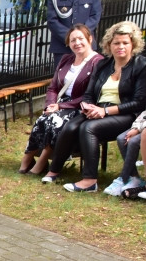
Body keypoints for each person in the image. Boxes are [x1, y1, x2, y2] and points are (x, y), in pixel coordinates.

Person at [42, 21, 146, 192]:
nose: (120, 46)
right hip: (98, 109)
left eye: (125, 42)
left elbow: (139, 101)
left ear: (133, 44)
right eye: (116, 43)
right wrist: (88, 107)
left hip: (126, 113)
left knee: (88, 128)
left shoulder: (142, 65)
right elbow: (88, 93)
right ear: (109, 45)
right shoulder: (103, 64)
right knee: (71, 126)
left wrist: (105, 111)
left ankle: (89, 180)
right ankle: (54, 170)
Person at [19, 25, 102, 175]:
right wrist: (51, 104)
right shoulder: (66, 59)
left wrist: (61, 106)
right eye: (73, 40)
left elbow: (91, 94)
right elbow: (53, 88)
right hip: (59, 104)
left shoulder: (98, 62)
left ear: (90, 39)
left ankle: (43, 161)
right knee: (42, 120)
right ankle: (27, 159)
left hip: (80, 106)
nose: (77, 43)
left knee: (55, 121)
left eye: (80, 38)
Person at [106, 51, 146, 196]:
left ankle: (124, 177)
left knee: (138, 139)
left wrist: (139, 127)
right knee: (124, 138)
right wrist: (136, 127)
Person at [46, 0, 102, 70]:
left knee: (87, 79)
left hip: (86, 44)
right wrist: (70, 37)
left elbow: (95, 16)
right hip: (63, 47)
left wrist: (81, 36)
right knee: (62, 81)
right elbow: (52, 21)